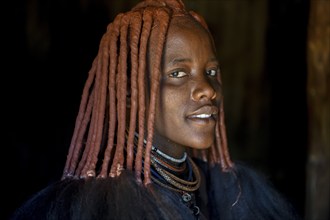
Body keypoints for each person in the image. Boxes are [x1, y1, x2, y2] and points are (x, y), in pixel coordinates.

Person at [11, 0, 301, 219]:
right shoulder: (97, 207)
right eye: (178, 74)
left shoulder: (234, 191)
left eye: (211, 72)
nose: (208, 90)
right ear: (128, 94)